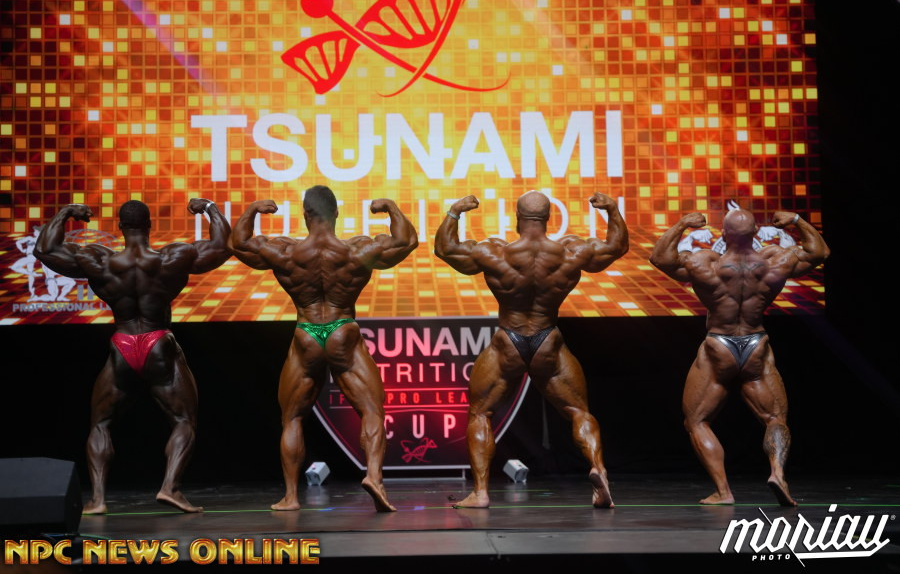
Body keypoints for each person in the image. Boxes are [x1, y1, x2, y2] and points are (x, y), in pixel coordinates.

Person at [34, 199, 231, 513]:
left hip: (122, 343)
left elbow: (45, 250)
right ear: (149, 225)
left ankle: (98, 499)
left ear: (121, 227)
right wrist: (209, 208)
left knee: (101, 423)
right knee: (183, 420)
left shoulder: (98, 259)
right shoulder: (172, 257)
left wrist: (66, 212)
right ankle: (170, 487)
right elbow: (222, 246)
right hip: (158, 341)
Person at [434, 191, 628, 508]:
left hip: (508, 341)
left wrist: (455, 211)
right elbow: (616, 246)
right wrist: (612, 210)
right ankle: (598, 469)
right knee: (579, 411)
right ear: (549, 217)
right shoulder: (571, 251)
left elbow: (445, 249)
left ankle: (481, 493)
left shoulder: (495, 251)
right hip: (547, 338)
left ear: (517, 217)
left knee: (481, 412)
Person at [231, 186, 418, 512]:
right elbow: (407, 241)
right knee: (371, 410)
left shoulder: (286, 252)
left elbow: (237, 243)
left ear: (305, 214)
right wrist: (390, 206)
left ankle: (291, 497)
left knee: (292, 417)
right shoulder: (356, 250)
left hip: (306, 333)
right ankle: (374, 477)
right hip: (341, 329)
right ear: (336, 213)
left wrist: (253, 210)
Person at [650, 208, 829, 506]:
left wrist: (682, 224)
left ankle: (723, 492)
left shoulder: (705, 262)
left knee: (697, 421)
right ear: (757, 233)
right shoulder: (775, 260)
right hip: (756, 343)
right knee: (774, 418)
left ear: (723, 234)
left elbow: (660, 258)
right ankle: (778, 473)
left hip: (719, 345)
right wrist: (797, 221)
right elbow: (820, 252)